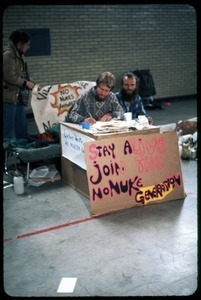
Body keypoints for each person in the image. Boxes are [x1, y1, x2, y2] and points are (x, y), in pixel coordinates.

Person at [3, 29, 40, 141]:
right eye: (27, 44)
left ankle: (23, 149)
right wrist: (26, 83)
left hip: (18, 97)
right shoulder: (8, 55)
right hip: (8, 97)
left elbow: (24, 76)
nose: (28, 47)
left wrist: (34, 83)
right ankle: (6, 153)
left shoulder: (20, 55)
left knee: (21, 126)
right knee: (7, 129)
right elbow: (9, 77)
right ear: (19, 44)